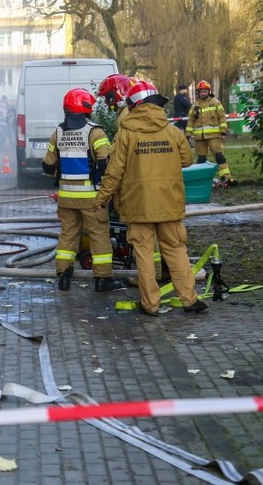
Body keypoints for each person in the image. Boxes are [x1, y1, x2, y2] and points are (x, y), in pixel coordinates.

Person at [94, 80, 208, 316]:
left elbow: (114, 171)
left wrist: (101, 198)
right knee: (176, 250)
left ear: (134, 105)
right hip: (169, 203)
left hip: (138, 205)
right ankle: (189, 299)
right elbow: (186, 161)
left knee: (144, 255)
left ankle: (151, 304)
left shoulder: (125, 134)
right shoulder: (173, 132)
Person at [41, 88, 123, 292]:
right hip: (91, 199)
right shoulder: (95, 132)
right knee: (99, 236)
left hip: (66, 198)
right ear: (87, 107)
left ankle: (63, 275)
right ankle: (103, 279)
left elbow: (48, 167)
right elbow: (105, 163)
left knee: (68, 235)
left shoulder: (58, 132)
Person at [186, 80, 236, 185]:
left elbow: (222, 118)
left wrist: (223, 132)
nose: (203, 93)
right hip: (199, 138)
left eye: (205, 91)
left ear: (209, 91)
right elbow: (191, 121)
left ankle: (226, 177)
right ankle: (203, 180)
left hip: (214, 136)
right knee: (201, 160)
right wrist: (188, 134)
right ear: (198, 93)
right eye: (201, 91)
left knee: (219, 156)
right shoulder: (195, 106)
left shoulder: (215, 103)